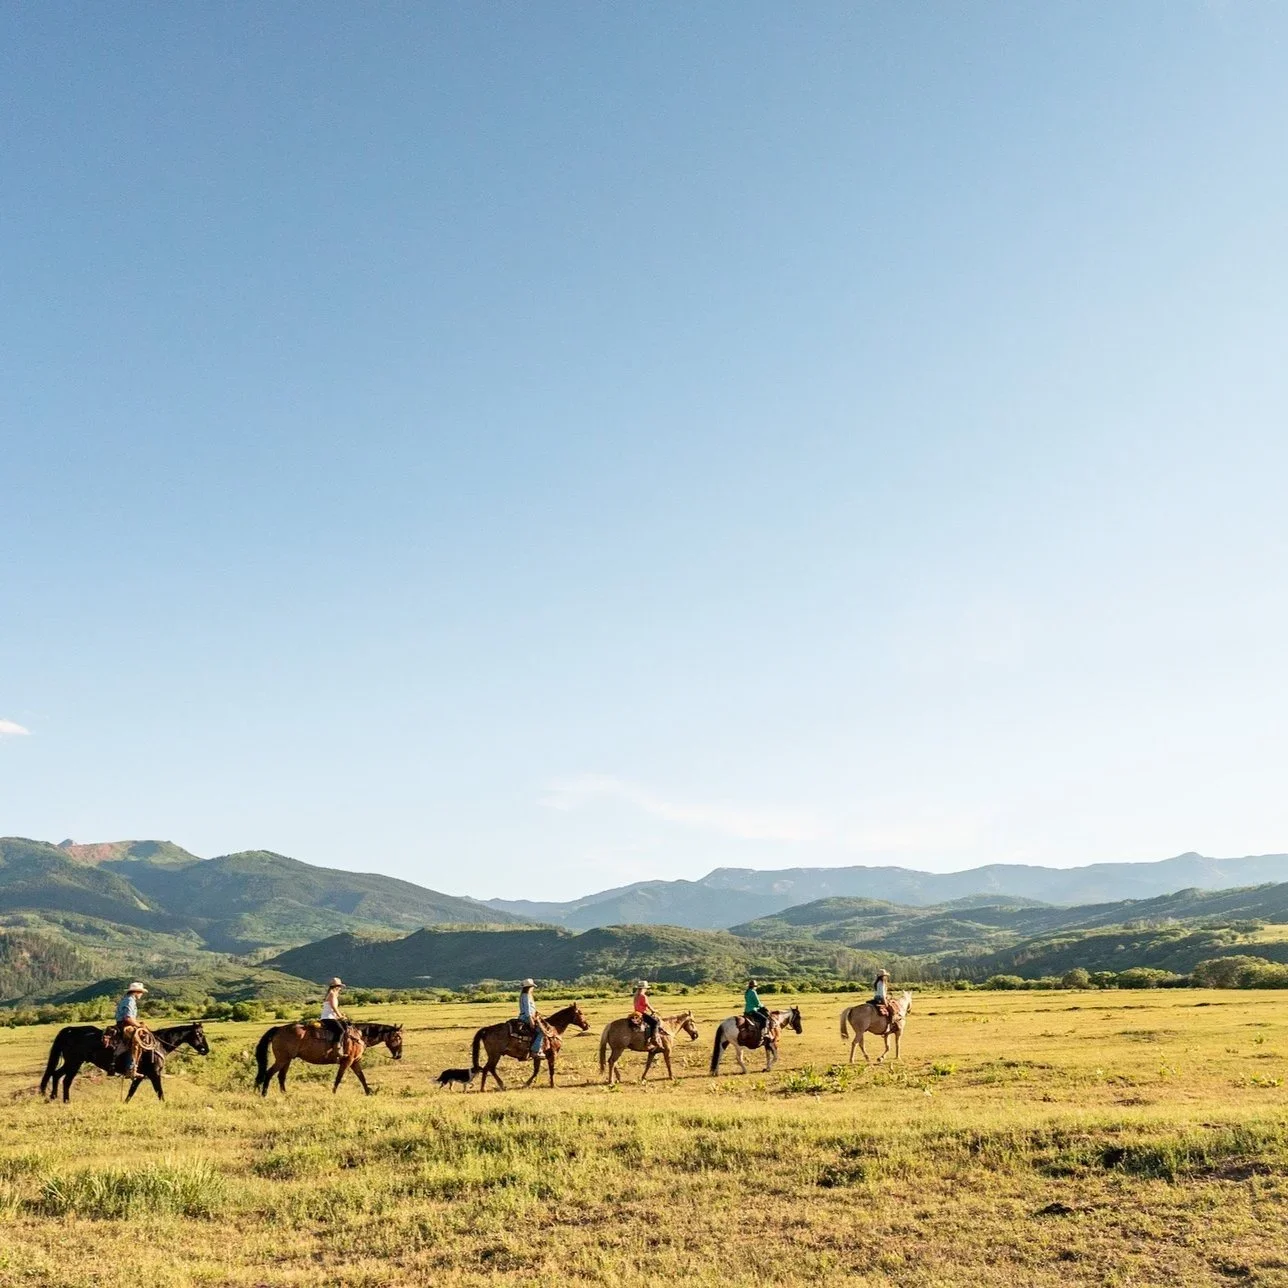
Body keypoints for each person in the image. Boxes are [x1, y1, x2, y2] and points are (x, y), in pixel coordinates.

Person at [113, 982, 149, 1075]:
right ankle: (131, 1068)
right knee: (136, 1041)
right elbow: (128, 1018)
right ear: (136, 992)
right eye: (141, 992)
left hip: (126, 1023)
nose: (142, 994)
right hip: (125, 1025)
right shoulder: (129, 1001)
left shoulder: (129, 999)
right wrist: (138, 1025)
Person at [320, 977, 349, 1048]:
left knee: (346, 1026)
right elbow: (334, 1007)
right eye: (339, 986)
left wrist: (340, 1015)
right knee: (340, 1030)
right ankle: (336, 1048)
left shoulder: (332, 994)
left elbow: (332, 1009)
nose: (340, 988)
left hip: (331, 1017)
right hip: (328, 1018)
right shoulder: (332, 994)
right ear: (336, 987)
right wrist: (341, 1016)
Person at [518, 978, 544, 1055]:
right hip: (526, 1017)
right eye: (532, 987)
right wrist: (530, 1019)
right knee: (541, 1031)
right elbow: (527, 1008)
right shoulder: (526, 996)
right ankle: (535, 1050)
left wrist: (535, 1013)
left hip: (528, 1016)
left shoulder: (525, 995)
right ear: (529, 987)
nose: (533, 988)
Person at [633, 980, 661, 1046]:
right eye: (646, 988)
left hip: (636, 1013)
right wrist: (654, 1011)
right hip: (642, 1013)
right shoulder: (643, 996)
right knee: (655, 1022)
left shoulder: (636, 996)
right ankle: (654, 1038)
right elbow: (647, 1005)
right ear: (644, 988)